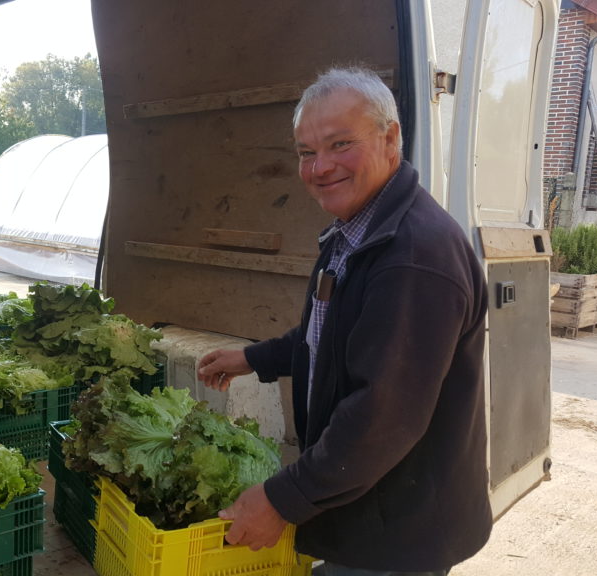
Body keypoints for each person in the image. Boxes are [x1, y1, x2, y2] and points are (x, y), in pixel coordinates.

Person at [197, 66, 492, 575]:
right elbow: (327, 339)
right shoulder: (357, 230)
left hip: (399, 532)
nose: (319, 168)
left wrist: (283, 499)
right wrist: (253, 357)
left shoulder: (414, 257)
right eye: (306, 152)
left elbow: (384, 414)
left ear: (390, 137)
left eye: (339, 145)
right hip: (367, 511)